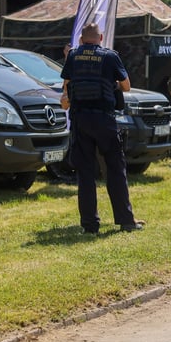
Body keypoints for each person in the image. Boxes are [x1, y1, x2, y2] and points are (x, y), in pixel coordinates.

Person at [60, 23, 143, 234]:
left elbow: (67, 85)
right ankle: (126, 221)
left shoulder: (73, 56)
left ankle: (89, 225)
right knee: (115, 170)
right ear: (101, 37)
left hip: (80, 120)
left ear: (81, 39)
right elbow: (126, 86)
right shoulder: (110, 56)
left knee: (85, 173)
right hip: (104, 120)